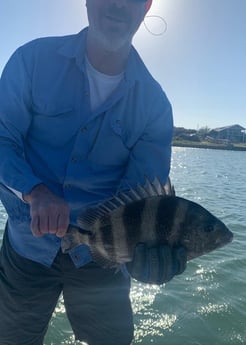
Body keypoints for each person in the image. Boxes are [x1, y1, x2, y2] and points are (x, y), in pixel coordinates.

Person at [0, 0, 187, 344]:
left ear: (146, 7)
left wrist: (147, 254)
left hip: (101, 262)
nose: (118, 4)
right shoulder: (31, 61)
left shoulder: (155, 107)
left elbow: (141, 203)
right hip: (27, 249)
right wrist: (34, 191)